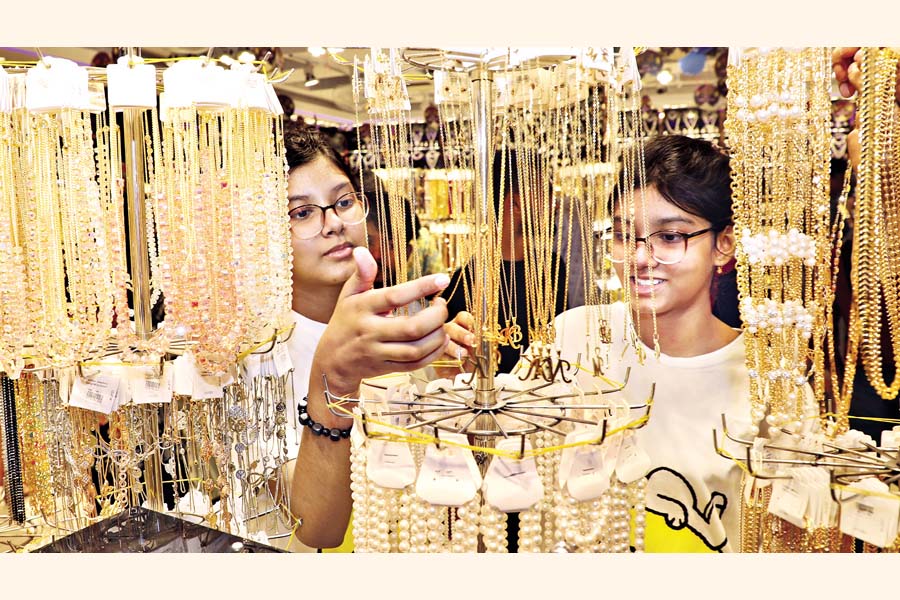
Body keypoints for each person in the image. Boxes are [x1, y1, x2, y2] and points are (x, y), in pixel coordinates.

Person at [547, 134, 816, 552]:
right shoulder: (574, 337)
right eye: (623, 235)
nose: (639, 258)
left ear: (723, 245)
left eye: (670, 237)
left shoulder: (769, 382)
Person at [283, 123, 474, 549]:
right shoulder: (249, 352)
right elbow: (313, 530)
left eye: (343, 201)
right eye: (301, 212)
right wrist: (335, 379)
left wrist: (449, 386)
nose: (333, 223)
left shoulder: (400, 318)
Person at [441, 150, 569, 374]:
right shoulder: (467, 281)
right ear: (516, 204)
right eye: (546, 192)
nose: (554, 204)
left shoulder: (553, 268)